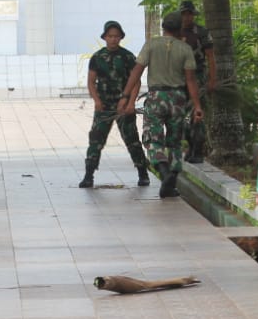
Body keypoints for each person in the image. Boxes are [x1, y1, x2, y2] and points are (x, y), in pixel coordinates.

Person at [118, 11, 203, 199]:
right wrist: (197, 106)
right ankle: (171, 178)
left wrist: (125, 96)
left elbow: (136, 72)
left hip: (156, 97)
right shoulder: (185, 49)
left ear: (163, 27)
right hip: (178, 98)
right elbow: (191, 80)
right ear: (179, 28)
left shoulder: (151, 45)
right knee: (174, 140)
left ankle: (164, 173)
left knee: (152, 138)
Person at [80, 20, 151, 188]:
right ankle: (89, 175)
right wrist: (97, 101)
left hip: (124, 105)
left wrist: (131, 103)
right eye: (110, 36)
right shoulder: (97, 57)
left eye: (116, 36)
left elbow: (136, 82)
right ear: (105, 37)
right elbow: (91, 81)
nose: (113, 39)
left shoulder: (127, 57)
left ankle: (143, 173)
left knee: (132, 139)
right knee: (96, 140)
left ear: (121, 37)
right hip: (104, 106)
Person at [179, 0, 216, 163]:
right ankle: (190, 146)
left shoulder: (201, 32)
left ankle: (197, 150)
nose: (187, 17)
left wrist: (212, 80)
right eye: (184, 14)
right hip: (179, 78)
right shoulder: (175, 32)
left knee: (197, 114)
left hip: (198, 76)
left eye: (189, 14)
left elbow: (210, 56)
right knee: (180, 116)